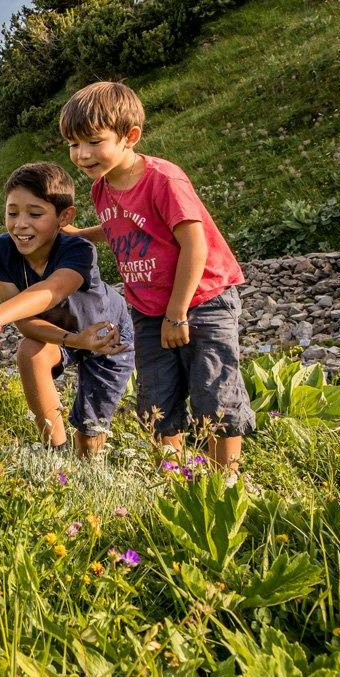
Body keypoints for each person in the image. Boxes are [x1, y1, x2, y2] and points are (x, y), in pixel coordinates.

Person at [61, 80, 253, 471]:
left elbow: (195, 245)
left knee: (214, 392)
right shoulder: (101, 188)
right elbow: (121, 226)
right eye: (73, 144)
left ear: (130, 136)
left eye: (94, 141)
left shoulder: (163, 179)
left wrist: (177, 314)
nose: (82, 154)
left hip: (202, 302)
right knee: (156, 398)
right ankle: (172, 477)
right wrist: (81, 235)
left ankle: (225, 482)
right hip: (148, 308)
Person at [0, 162, 133, 456]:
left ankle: (85, 463)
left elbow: (52, 290)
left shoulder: (79, 250)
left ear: (64, 217)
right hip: (64, 334)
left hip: (107, 336)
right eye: (12, 213)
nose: (20, 224)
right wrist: (73, 340)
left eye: (35, 214)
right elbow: (26, 322)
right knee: (30, 351)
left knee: (89, 430)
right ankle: (54, 452)